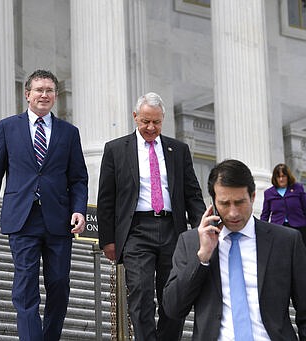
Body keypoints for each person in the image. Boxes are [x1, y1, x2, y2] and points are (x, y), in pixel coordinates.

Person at [0, 69, 88, 341]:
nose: (44, 95)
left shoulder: (69, 132)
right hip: (22, 218)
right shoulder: (8, 127)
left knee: (59, 285)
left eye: (49, 90)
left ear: (56, 96)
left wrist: (79, 210)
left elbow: (78, 178)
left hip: (58, 220)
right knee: (25, 288)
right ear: (27, 94)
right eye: (39, 89)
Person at [97, 92, 205, 341]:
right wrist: (108, 240)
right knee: (141, 293)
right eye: (145, 121)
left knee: (174, 295)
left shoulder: (178, 150)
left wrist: (200, 230)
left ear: (163, 120)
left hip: (172, 230)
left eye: (156, 122)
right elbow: (106, 198)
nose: (150, 127)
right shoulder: (116, 149)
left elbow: (193, 195)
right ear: (135, 117)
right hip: (136, 230)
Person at [163, 159, 306, 340]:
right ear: (213, 201)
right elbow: (173, 308)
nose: (233, 213)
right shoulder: (191, 242)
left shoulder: (286, 241)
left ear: (253, 196)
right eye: (224, 203)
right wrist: (202, 257)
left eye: (240, 202)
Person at [261, 163, 306, 245]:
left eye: (283, 176)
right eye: (278, 177)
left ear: (288, 177)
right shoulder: (268, 193)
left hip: (299, 227)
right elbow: (265, 215)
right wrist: (261, 230)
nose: (281, 179)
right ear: (275, 178)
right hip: (278, 229)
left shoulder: (298, 188)